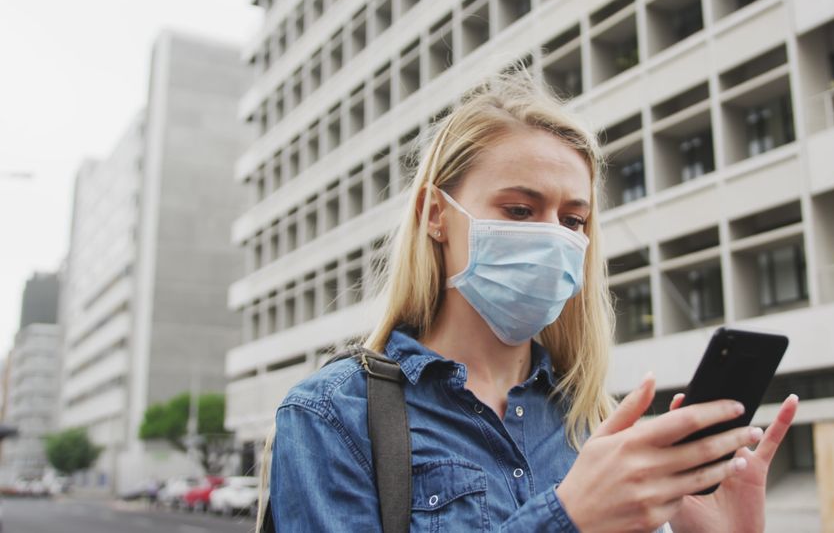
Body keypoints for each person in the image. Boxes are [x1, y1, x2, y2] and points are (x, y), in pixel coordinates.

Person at [258, 63, 799, 532]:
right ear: (435, 214)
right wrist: (568, 519)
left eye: (572, 220)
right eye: (520, 210)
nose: (552, 237)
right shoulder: (333, 414)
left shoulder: (596, 426)